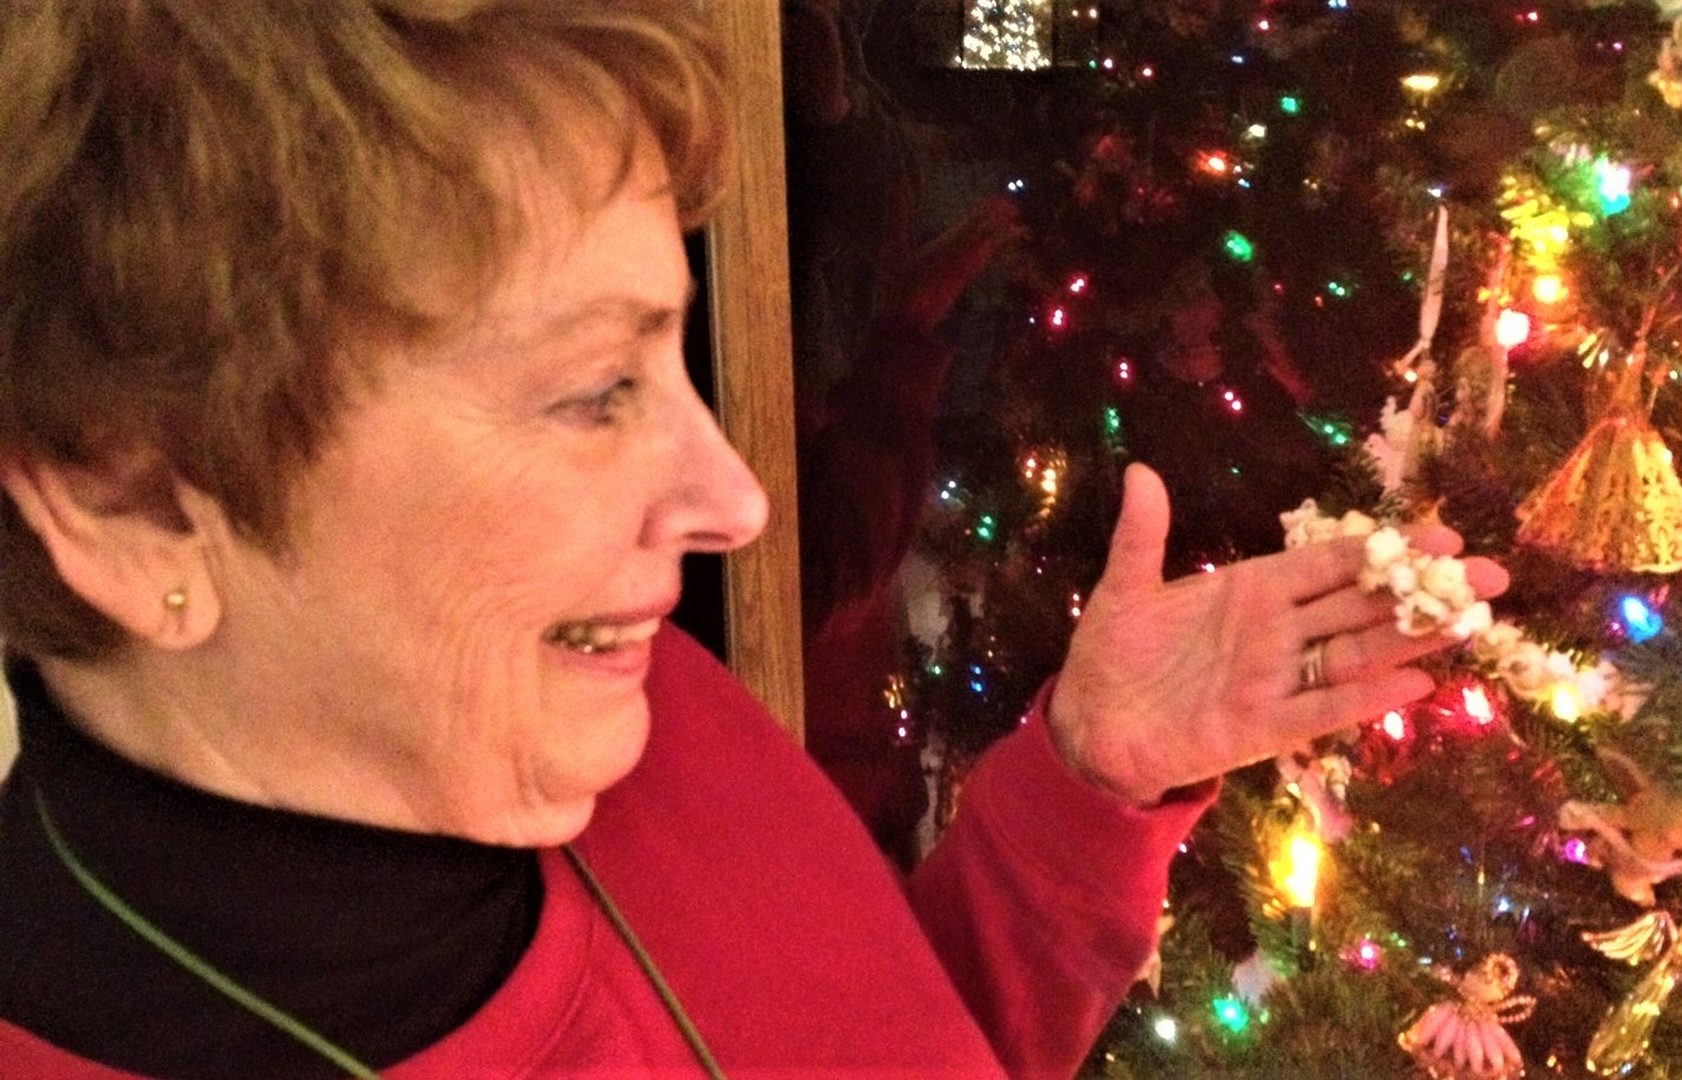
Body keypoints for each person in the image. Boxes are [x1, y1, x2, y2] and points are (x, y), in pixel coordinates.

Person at [0, 3, 1507, 1078]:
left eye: (676, 360)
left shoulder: (625, 713)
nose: (735, 503)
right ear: (131, 504)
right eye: (596, 391)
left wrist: (1085, 785)